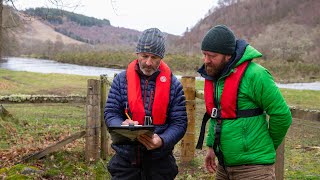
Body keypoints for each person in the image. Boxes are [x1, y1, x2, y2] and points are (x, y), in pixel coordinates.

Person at [196, 25, 292, 179]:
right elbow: (217, 115)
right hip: (224, 165)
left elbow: (282, 115)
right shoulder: (217, 76)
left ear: (228, 55)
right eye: (204, 54)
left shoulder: (256, 75)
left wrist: (265, 146)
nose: (206, 60)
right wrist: (211, 147)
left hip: (254, 169)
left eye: (212, 56)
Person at [104, 28, 188, 180]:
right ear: (137, 54)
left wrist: (162, 141)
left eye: (154, 57)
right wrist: (122, 124)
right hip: (125, 162)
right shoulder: (121, 80)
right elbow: (110, 113)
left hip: (160, 164)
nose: (148, 62)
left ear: (161, 57)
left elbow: (180, 123)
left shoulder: (174, 85)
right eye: (144, 56)